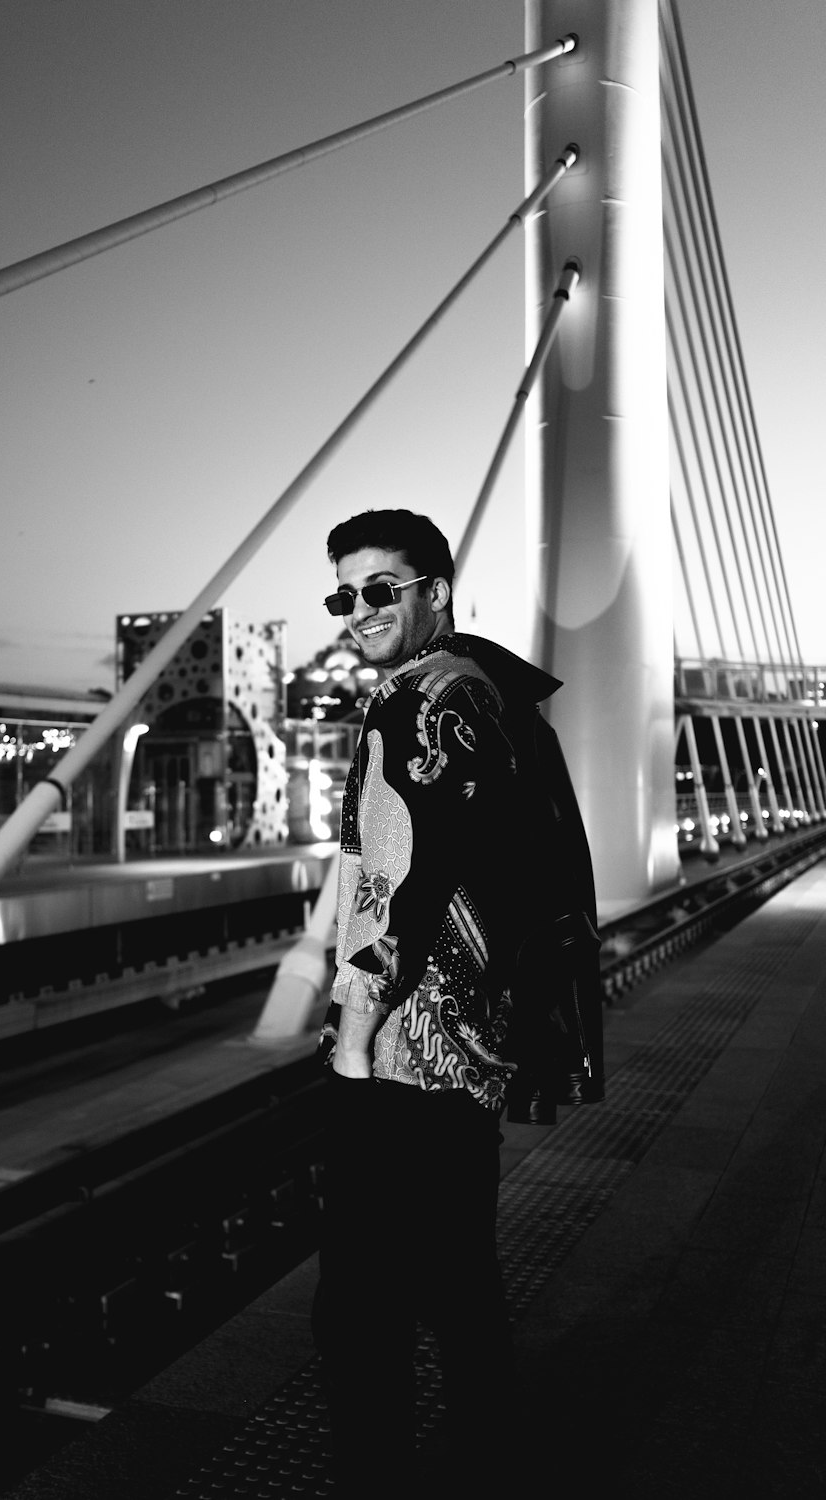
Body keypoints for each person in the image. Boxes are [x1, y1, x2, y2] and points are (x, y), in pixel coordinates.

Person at [311, 508, 604, 1492]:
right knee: (457, 1279)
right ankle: (487, 1453)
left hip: (405, 1052)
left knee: (359, 1307)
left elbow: (401, 884)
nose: (357, 610)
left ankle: (379, 1475)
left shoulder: (419, 698)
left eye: (379, 589)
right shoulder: (488, 688)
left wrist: (352, 1041)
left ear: (434, 589)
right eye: (343, 594)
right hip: (471, 1048)